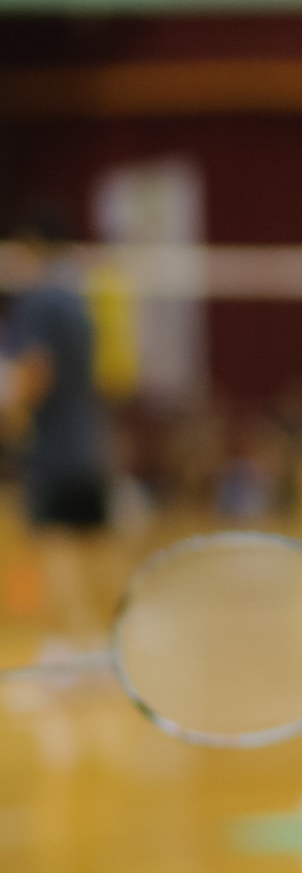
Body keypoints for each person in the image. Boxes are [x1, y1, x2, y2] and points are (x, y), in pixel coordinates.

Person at [1, 207, 115, 655]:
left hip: (53, 449)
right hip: (90, 441)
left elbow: (36, 372)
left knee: (55, 545)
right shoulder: (78, 299)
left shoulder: (38, 302)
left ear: (33, 245)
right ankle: (107, 648)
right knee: (95, 545)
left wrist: (11, 408)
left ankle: (67, 648)